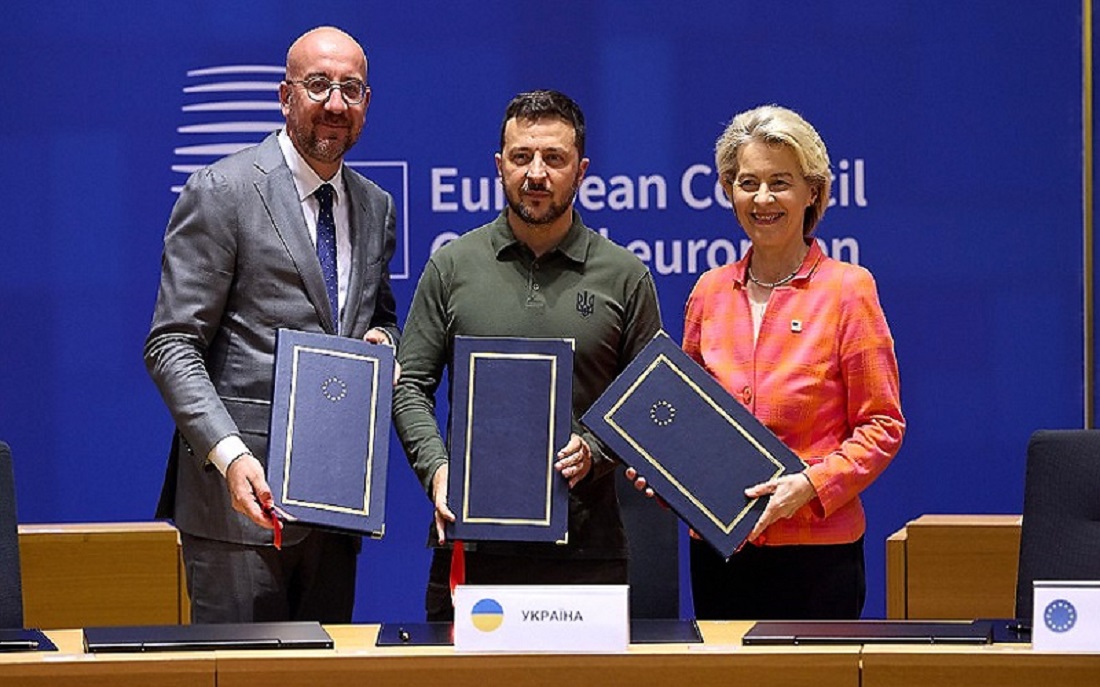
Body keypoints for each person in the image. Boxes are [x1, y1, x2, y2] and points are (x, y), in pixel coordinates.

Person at [144, 26, 400, 623]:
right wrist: (230, 456)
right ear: (285, 96)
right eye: (318, 85)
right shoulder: (223, 190)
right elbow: (172, 344)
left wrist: (383, 342)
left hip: (336, 506)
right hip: (237, 507)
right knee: (242, 668)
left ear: (366, 103)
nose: (335, 103)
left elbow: (379, 316)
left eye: (351, 89)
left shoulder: (375, 205)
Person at [393, 89, 663, 621]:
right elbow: (410, 387)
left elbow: (650, 403)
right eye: (522, 157)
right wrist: (438, 470)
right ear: (499, 166)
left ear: (581, 171)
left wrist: (596, 449)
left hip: (589, 552)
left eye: (554, 159)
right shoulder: (451, 267)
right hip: (472, 545)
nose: (536, 174)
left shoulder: (625, 276)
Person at [628, 104, 904, 620]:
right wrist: (664, 472)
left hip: (818, 554)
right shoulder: (708, 293)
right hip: (721, 549)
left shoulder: (849, 291)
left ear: (812, 192)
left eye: (780, 183)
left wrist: (812, 485)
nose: (762, 199)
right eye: (747, 183)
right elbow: (688, 423)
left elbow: (882, 425)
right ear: (729, 191)